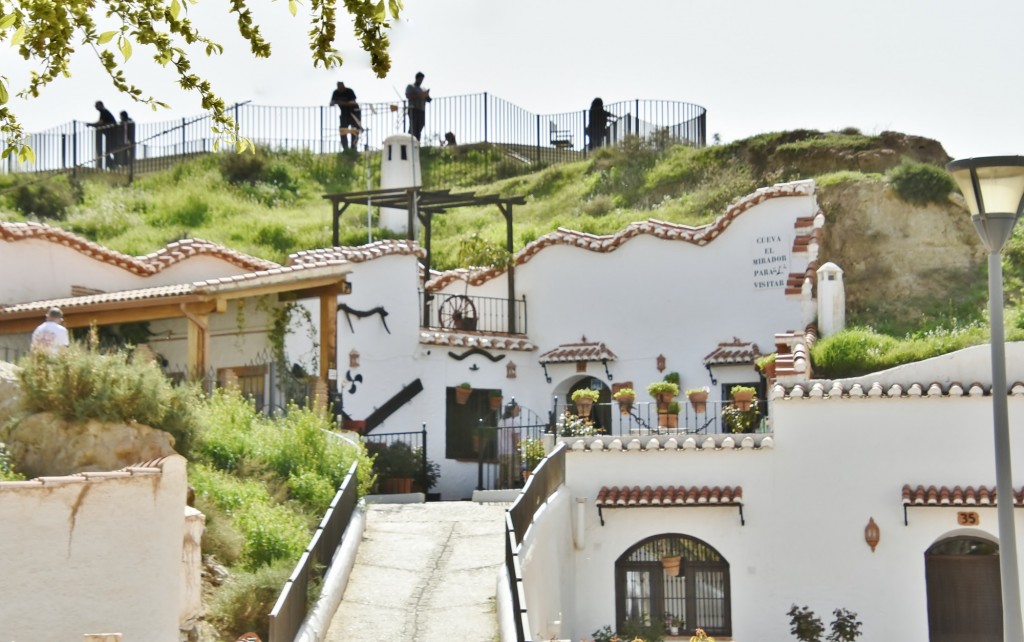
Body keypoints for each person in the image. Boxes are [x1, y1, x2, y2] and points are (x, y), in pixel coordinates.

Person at [496, 401, 522, 489]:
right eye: (517, 408)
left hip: (501, 452)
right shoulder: (513, 422)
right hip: (511, 453)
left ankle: (498, 492)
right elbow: (515, 440)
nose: (519, 410)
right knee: (511, 476)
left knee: (502, 476)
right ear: (512, 410)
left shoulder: (501, 421)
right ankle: (510, 492)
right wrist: (519, 452)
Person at [329, 81, 361, 150]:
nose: (340, 89)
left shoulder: (349, 91)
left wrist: (342, 103)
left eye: (341, 87)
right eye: (339, 87)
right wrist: (335, 102)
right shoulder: (335, 92)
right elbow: (331, 103)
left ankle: (353, 147)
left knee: (355, 130)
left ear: (344, 86)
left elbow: (353, 102)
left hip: (354, 113)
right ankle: (345, 148)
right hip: (344, 114)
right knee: (343, 130)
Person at [87, 101, 117, 169]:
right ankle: (111, 165)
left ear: (101, 105)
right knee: (108, 151)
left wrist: (91, 124)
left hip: (112, 134)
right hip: (110, 134)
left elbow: (100, 122)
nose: (96, 107)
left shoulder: (104, 111)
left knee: (109, 151)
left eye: (97, 106)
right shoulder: (103, 112)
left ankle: (112, 165)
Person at [405, 72, 431, 141]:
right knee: (413, 127)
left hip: (421, 110)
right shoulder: (410, 86)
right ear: (416, 78)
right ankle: (409, 141)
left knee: (420, 126)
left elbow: (428, 99)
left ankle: (417, 142)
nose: (421, 81)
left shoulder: (423, 89)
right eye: (420, 79)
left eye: (422, 79)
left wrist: (426, 95)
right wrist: (420, 95)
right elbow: (408, 95)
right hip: (413, 109)